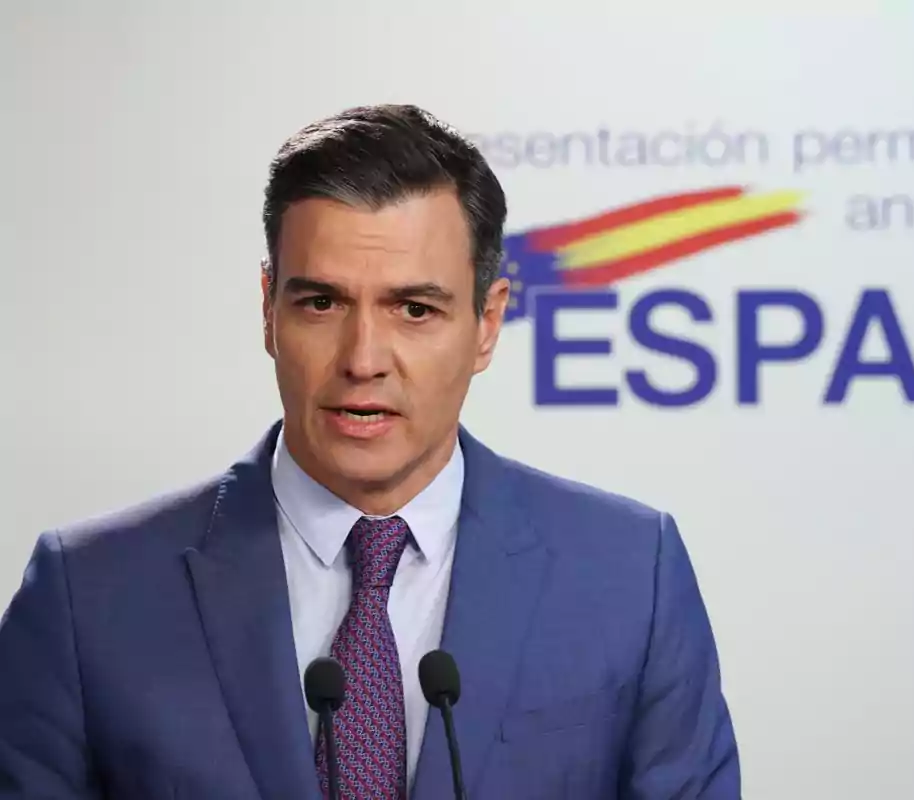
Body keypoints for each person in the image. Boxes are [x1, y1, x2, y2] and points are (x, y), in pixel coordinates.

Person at [0, 104, 740, 799]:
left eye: (414, 310)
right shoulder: (86, 596)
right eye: (321, 303)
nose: (363, 358)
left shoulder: (627, 574)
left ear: (488, 323)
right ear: (268, 310)